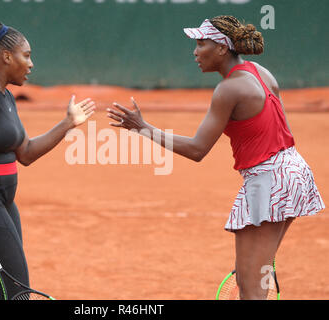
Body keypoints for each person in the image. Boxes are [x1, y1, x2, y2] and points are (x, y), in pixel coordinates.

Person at [106, 15, 325, 300]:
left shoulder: (228, 89)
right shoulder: (259, 71)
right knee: (248, 278)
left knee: (253, 287)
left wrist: (143, 128)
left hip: (270, 180)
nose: (195, 52)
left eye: (201, 43)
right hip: (291, 171)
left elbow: (198, 149)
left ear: (222, 48)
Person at [0, 15, 95, 299]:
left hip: (1, 201)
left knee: (8, 289)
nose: (31, 64)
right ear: (5, 57)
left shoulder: (5, 97)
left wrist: (67, 123)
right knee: (16, 292)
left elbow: (25, 153)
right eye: (26, 55)